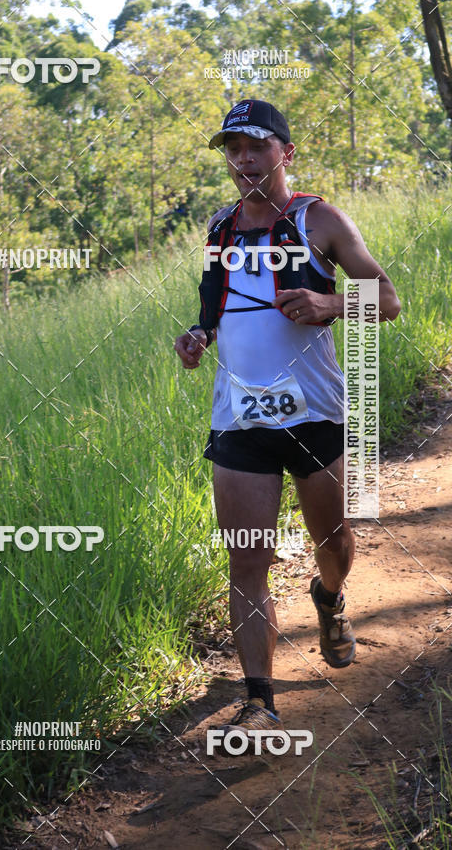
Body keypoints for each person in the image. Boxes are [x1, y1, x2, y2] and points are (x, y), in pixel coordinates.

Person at [173, 99, 401, 741]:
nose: (244, 160)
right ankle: (259, 700)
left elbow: (387, 300)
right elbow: (215, 308)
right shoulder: (220, 228)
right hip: (238, 418)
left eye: (257, 147)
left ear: (285, 152)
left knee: (334, 543)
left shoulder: (317, 219)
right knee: (247, 559)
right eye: (233, 149)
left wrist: (331, 303)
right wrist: (197, 337)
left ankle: (328, 597)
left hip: (314, 414)